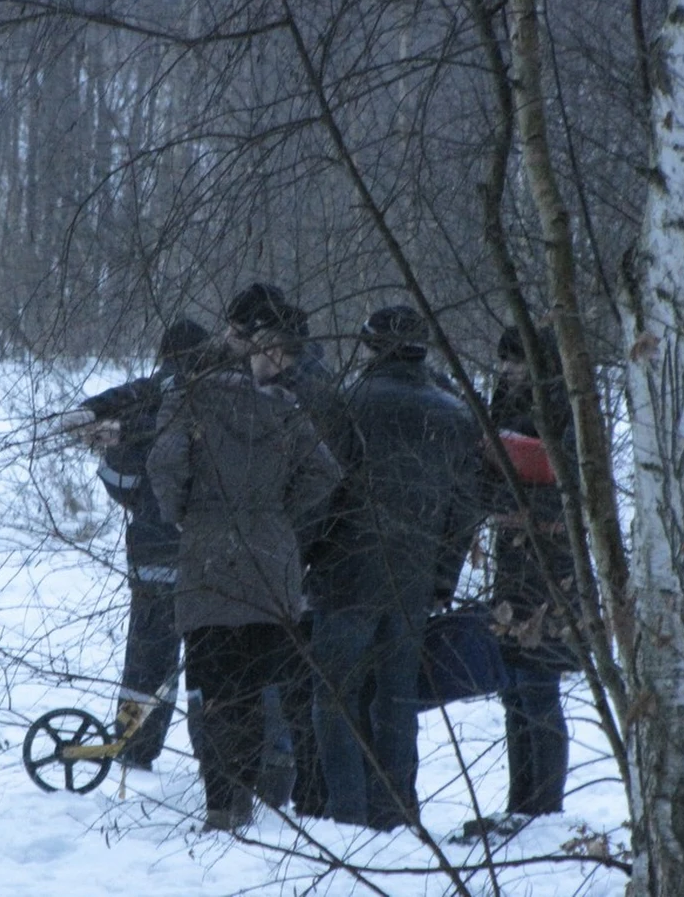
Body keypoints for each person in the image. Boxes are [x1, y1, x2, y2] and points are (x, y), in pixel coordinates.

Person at [147, 345, 341, 832]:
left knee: (213, 690)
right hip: (270, 559)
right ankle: (243, 800)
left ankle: (218, 805)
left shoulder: (189, 401)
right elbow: (325, 471)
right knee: (254, 690)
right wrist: (279, 516)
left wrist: (182, 514)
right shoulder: (283, 406)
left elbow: (164, 465)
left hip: (209, 556)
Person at [311, 305, 482, 831]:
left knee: (334, 696)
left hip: (348, 572)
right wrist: (442, 578)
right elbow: (465, 507)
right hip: (413, 579)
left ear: (371, 347)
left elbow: (323, 489)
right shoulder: (453, 414)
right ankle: (397, 813)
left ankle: (347, 813)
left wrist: (306, 554)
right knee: (398, 700)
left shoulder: (352, 403)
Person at [69, 318, 210, 771]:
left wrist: (112, 453)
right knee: (209, 664)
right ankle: (217, 754)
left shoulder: (144, 399)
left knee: (147, 664)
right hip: (210, 562)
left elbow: (121, 483)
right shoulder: (219, 400)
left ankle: (134, 745)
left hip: (152, 555)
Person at [243, 302, 357, 818]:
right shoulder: (319, 387)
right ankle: (309, 792)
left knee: (294, 685)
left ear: (275, 351)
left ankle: (309, 795)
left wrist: (287, 541)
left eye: (256, 348)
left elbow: (319, 481)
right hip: (311, 555)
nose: (249, 359)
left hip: (300, 559)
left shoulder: (297, 399)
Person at [481, 325, 580, 830]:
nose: (506, 371)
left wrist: (517, 503)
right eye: (503, 361)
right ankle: (523, 802)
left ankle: (544, 807)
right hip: (511, 563)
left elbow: (575, 488)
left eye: (515, 361)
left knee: (539, 685)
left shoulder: (566, 409)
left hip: (552, 566)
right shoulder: (504, 403)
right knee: (514, 687)